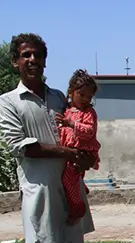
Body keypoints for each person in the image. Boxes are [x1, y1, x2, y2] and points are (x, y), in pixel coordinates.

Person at [0, 33, 96, 243]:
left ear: (44, 60)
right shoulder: (10, 102)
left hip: (70, 188)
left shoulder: (58, 99)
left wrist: (83, 156)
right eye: (25, 55)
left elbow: (80, 131)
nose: (32, 61)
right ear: (15, 61)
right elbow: (20, 146)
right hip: (37, 190)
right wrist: (66, 153)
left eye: (37, 55)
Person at [56, 69, 101, 225]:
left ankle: (78, 209)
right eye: (81, 95)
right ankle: (81, 191)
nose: (85, 99)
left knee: (69, 177)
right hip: (68, 153)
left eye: (89, 97)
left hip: (82, 152)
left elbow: (89, 131)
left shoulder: (89, 112)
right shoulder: (66, 111)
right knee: (69, 179)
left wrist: (72, 124)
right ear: (71, 92)